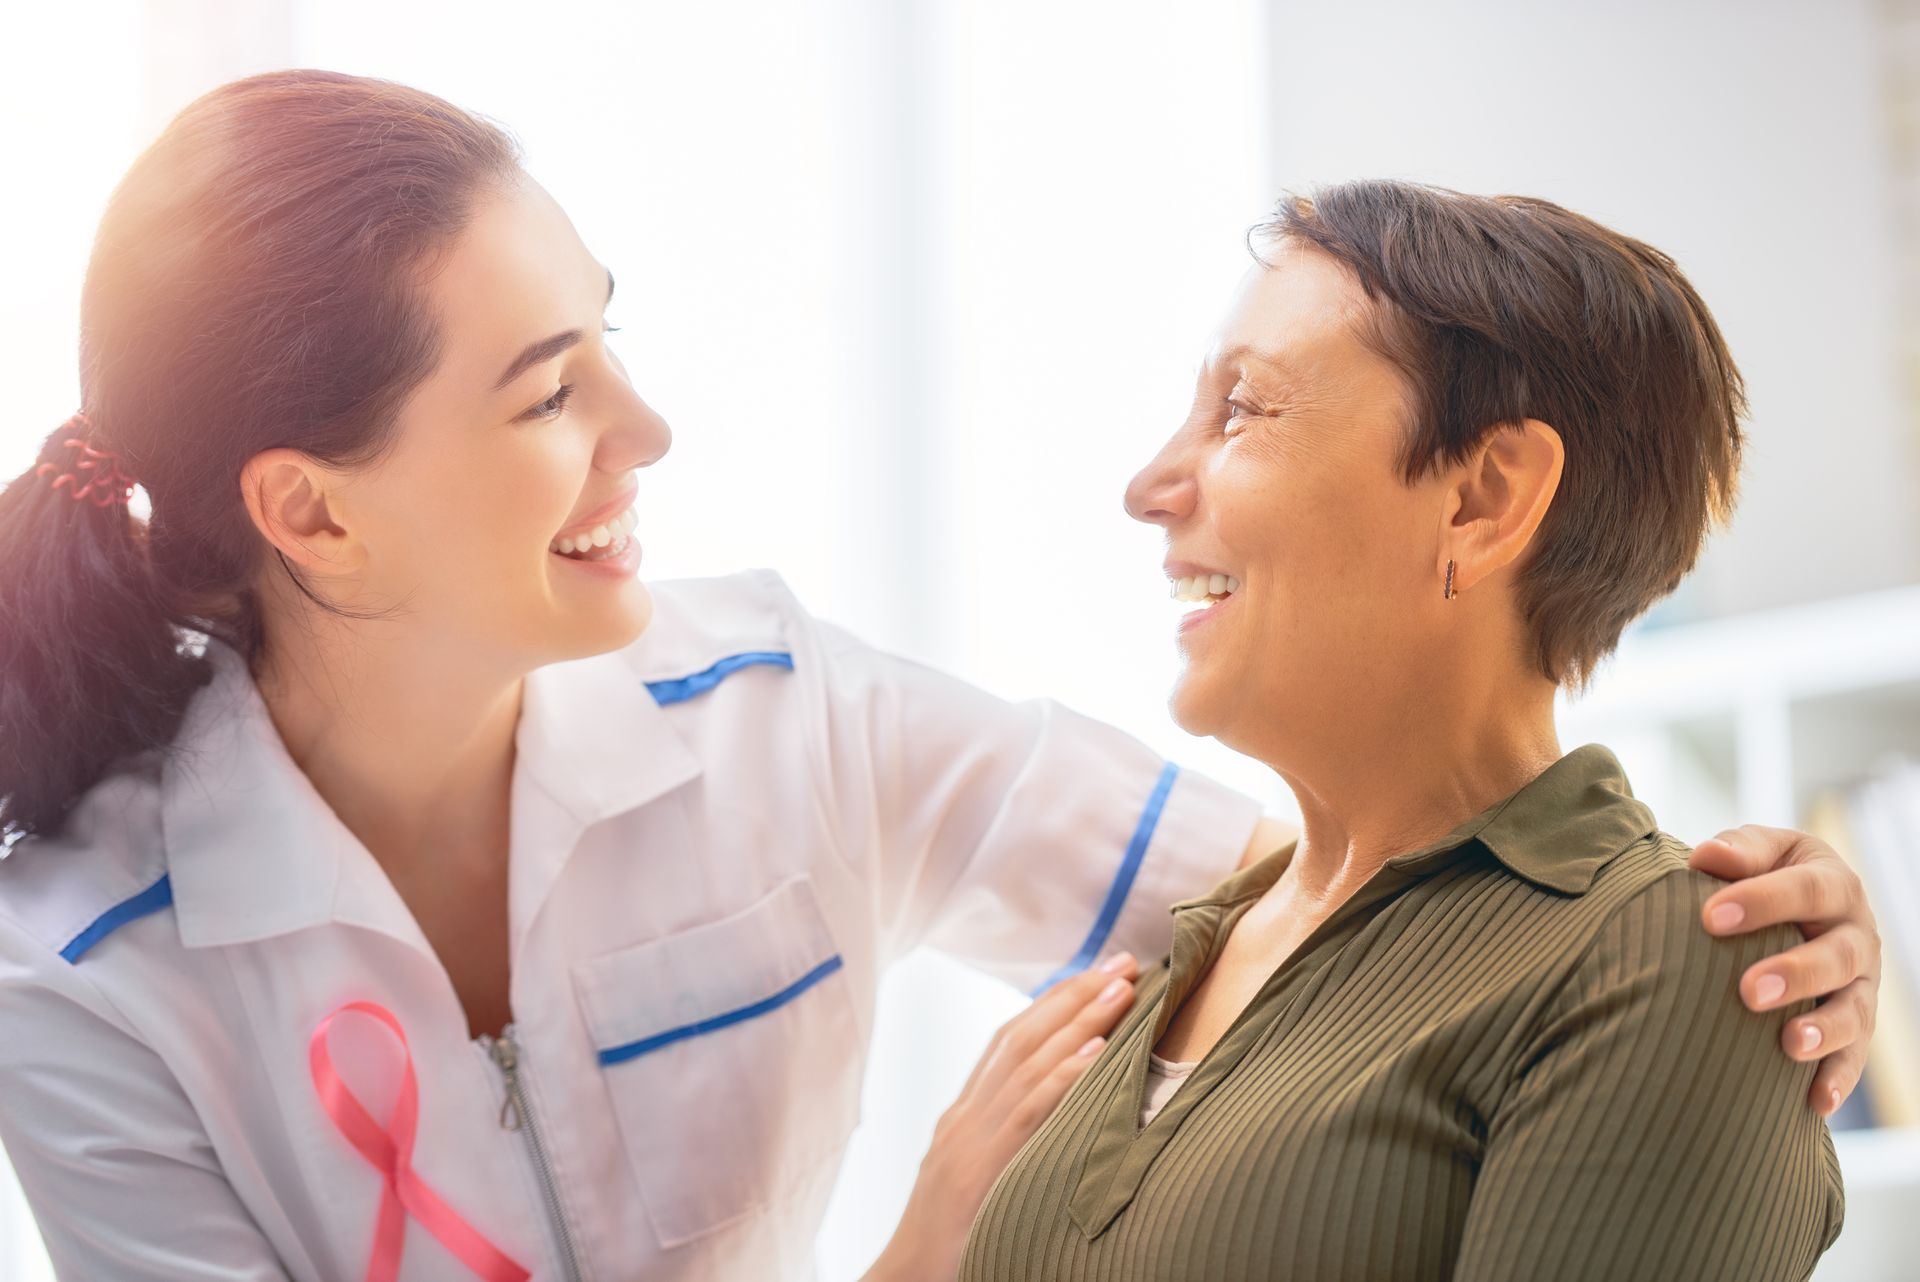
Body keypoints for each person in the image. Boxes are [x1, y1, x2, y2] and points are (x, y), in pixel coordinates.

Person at [0, 74, 1877, 1282]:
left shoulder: (783, 712)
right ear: (313, 518)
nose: (648, 425)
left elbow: (1390, 886)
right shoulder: (79, 973)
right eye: (548, 387)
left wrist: (1739, 927)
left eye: (611, 337)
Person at [959, 181, 1854, 1282]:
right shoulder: (1182, 949)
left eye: (1242, 408)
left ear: (1482, 498)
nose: (1148, 487)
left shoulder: (1662, 960)